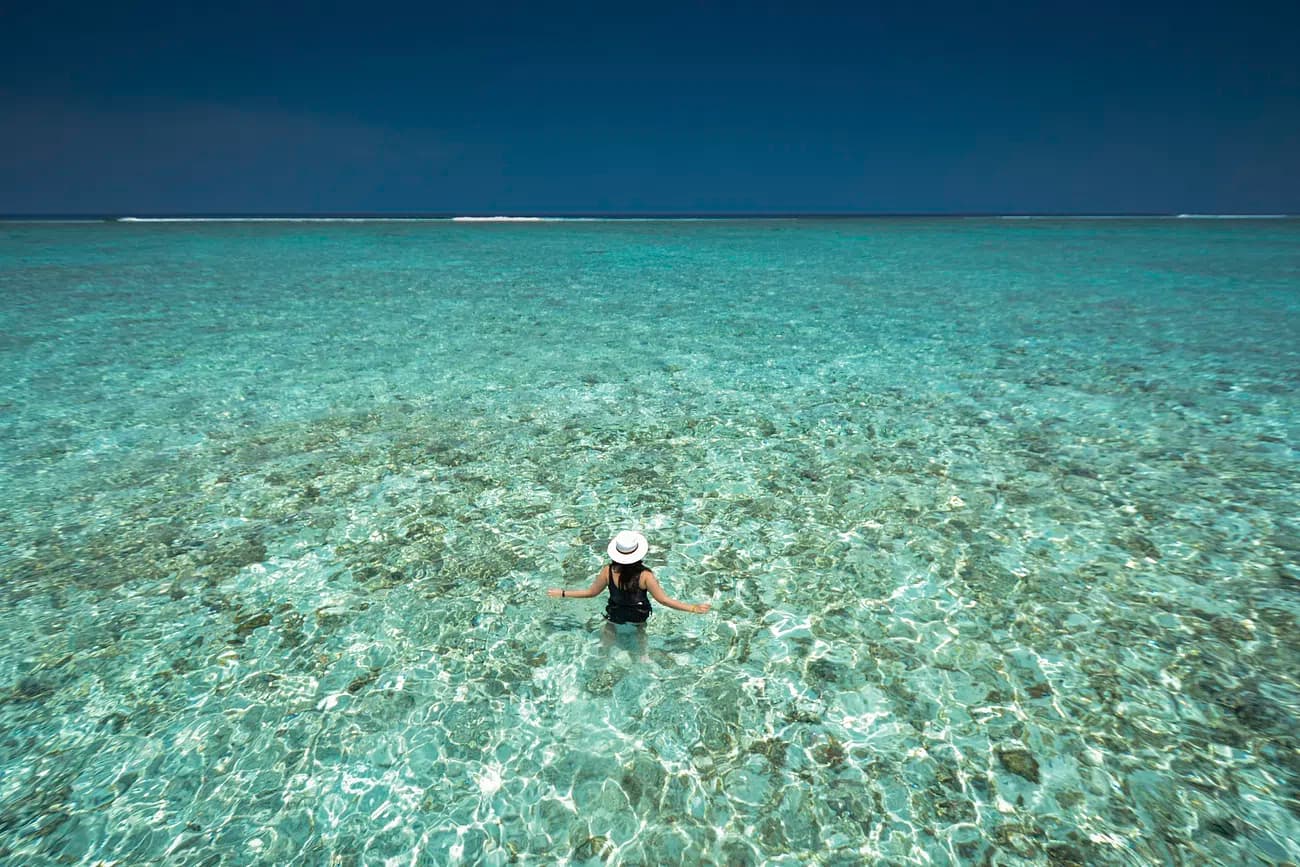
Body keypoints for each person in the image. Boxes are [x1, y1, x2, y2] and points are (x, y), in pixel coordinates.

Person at [547, 531, 710, 653]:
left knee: (609, 629)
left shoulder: (607, 571)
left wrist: (562, 592)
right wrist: (693, 608)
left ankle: (603, 655)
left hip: (616, 610)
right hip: (638, 613)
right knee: (640, 631)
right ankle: (642, 656)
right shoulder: (646, 576)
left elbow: (591, 593)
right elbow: (664, 600)